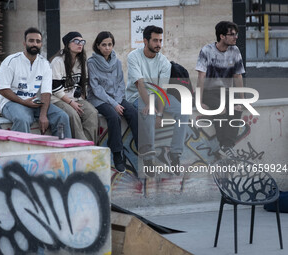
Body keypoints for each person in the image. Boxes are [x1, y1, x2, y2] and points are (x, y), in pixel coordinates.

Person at [126, 25, 188, 175]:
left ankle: (175, 154)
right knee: (149, 113)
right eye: (155, 40)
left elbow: (162, 90)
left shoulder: (164, 62)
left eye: (160, 40)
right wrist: (151, 106)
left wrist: (160, 114)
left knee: (183, 111)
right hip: (137, 95)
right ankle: (148, 156)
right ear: (145, 41)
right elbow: (139, 84)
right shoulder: (133, 57)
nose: (159, 44)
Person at [0, 27, 71, 137]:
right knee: (23, 119)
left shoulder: (44, 64)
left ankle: (63, 152)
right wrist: (23, 102)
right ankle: (21, 153)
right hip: (12, 103)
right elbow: (3, 89)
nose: (34, 44)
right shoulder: (11, 61)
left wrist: (43, 115)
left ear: (41, 44)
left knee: (62, 117)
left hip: (36, 103)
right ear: (24, 43)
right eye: (31, 41)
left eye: (38, 41)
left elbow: (46, 92)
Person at [88, 31, 138, 173]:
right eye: (104, 45)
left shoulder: (117, 62)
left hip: (117, 97)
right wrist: (114, 104)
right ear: (98, 46)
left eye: (110, 44)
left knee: (133, 113)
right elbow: (96, 89)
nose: (107, 47)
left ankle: (141, 147)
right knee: (114, 116)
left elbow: (121, 84)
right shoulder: (91, 63)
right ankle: (117, 154)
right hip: (99, 99)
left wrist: (117, 101)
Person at [196, 21, 245, 158]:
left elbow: (238, 75)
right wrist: (199, 102)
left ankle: (227, 146)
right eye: (232, 35)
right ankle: (225, 145)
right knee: (221, 108)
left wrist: (241, 100)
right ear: (222, 36)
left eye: (236, 34)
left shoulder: (235, 51)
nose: (236, 37)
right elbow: (201, 76)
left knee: (237, 108)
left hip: (227, 92)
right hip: (209, 92)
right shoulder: (207, 51)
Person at [50, 32, 98, 142]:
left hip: (75, 99)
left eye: (82, 42)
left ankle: (90, 145)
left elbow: (82, 85)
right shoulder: (58, 61)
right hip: (58, 99)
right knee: (73, 115)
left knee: (92, 113)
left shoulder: (81, 61)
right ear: (67, 44)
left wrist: (80, 100)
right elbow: (56, 89)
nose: (80, 44)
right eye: (76, 41)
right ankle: (82, 147)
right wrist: (71, 103)